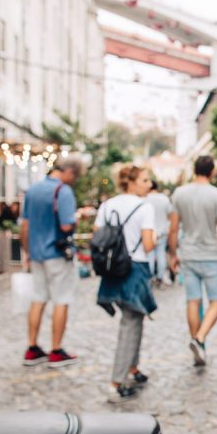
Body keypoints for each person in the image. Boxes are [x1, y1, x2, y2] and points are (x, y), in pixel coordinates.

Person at [94, 165, 158, 403]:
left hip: (113, 270)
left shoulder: (108, 205)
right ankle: (116, 381)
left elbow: (97, 235)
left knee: (134, 319)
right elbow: (148, 244)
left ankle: (132, 368)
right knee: (130, 323)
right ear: (131, 182)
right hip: (135, 269)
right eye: (144, 179)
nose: (149, 184)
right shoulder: (145, 207)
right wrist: (156, 237)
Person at [20, 154, 85, 367]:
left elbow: (25, 225)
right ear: (69, 172)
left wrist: (27, 251)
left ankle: (32, 347)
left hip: (36, 253)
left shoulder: (33, 189)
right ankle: (56, 350)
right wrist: (78, 218)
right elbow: (66, 225)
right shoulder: (63, 192)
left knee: (38, 299)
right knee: (61, 299)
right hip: (56, 254)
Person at [168, 156, 217, 366]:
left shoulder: (179, 193)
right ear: (212, 171)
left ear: (195, 170)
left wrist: (172, 254)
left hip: (188, 254)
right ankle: (199, 338)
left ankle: (198, 349)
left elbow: (174, 228)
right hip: (210, 255)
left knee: (193, 301)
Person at [146, 179, 173, 286]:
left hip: (149, 232)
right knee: (161, 255)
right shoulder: (164, 199)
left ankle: (150, 277)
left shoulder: (145, 199)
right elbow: (170, 216)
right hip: (162, 232)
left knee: (150, 256)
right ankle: (160, 277)